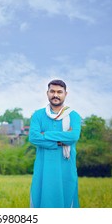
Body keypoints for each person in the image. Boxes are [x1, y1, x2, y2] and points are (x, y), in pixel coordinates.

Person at [29, 79, 82, 208]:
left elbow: (73, 137)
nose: (55, 95)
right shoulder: (38, 115)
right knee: (41, 200)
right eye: (52, 91)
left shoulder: (73, 116)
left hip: (65, 168)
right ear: (47, 93)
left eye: (59, 92)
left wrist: (45, 134)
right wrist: (59, 142)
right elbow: (34, 138)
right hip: (43, 168)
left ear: (65, 94)